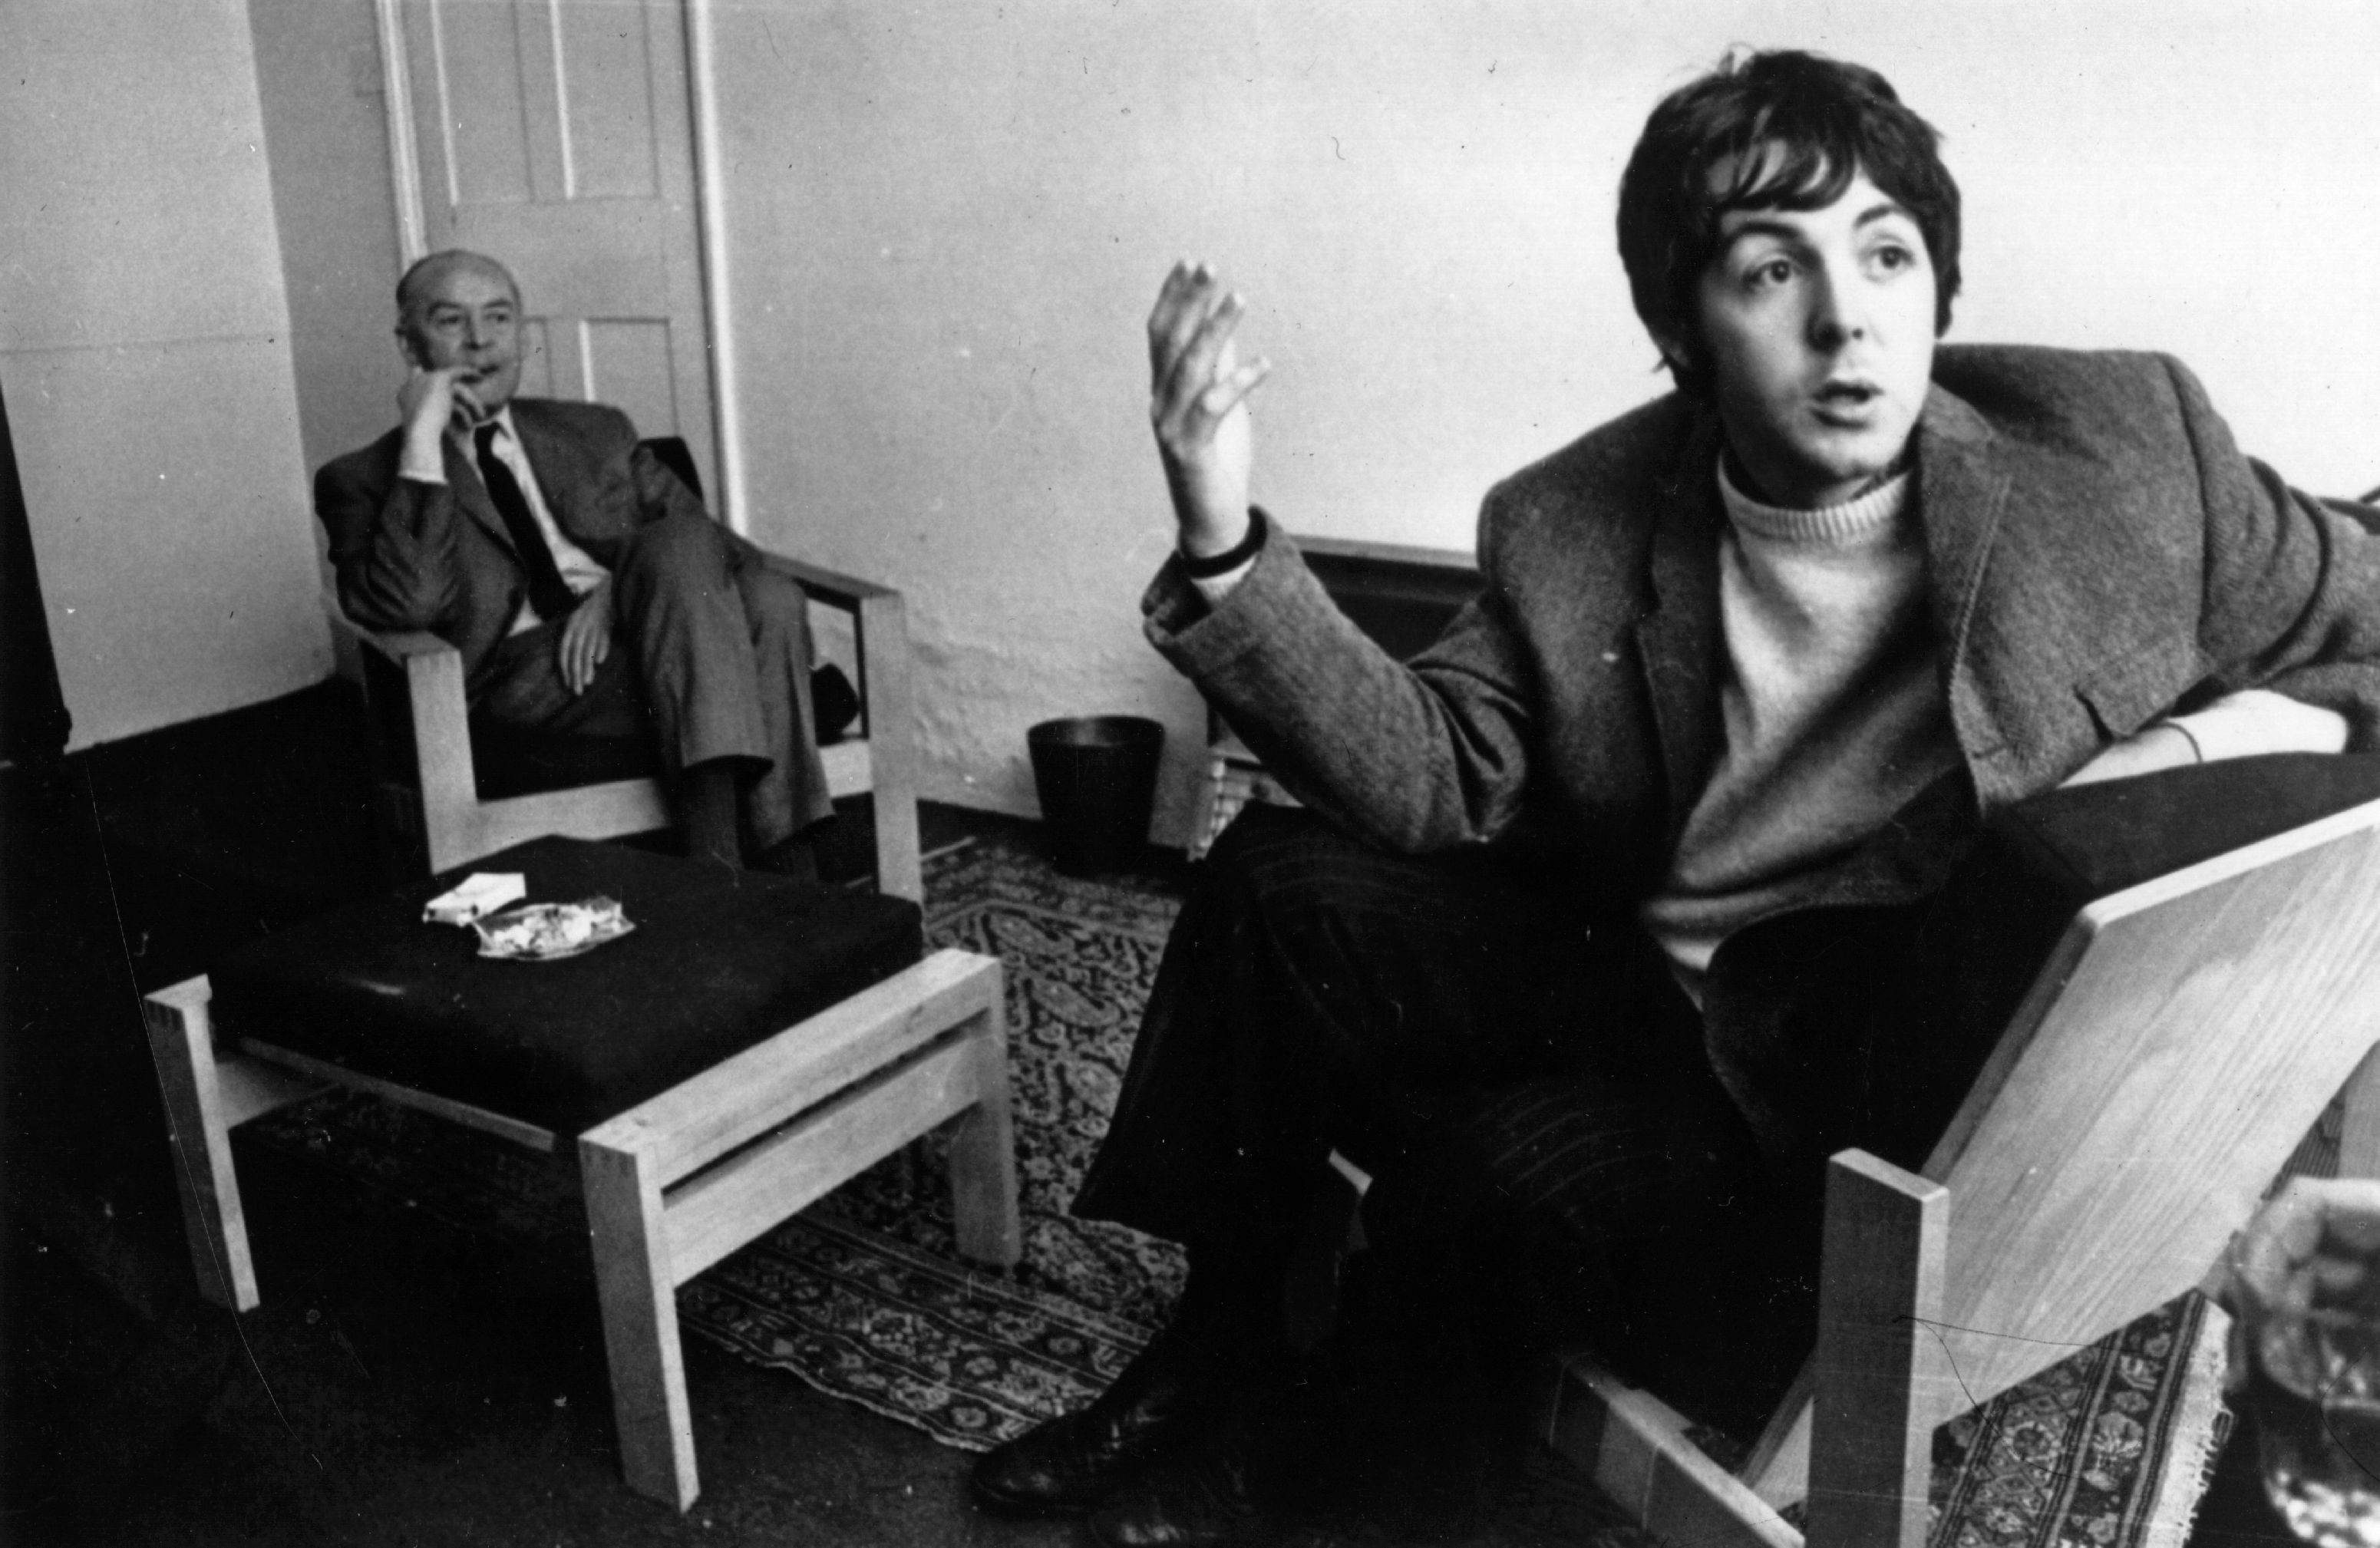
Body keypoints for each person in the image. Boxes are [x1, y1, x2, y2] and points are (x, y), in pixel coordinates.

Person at [970, 47, 2380, 1548]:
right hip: (1646, 983)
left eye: (1884, 255)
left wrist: (2198, 745)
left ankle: (1308, 1472)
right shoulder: (1574, 518)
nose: (1843, 318)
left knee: (1480, 1177)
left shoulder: (2122, 454)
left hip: (1838, 1115)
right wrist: (1216, 534)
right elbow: (1438, 768)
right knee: (1277, 882)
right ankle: (1223, 1344)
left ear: (1933, 291)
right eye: (1771, 269)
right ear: (1680, 329)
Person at [316, 250, 833, 873]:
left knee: (736, 577)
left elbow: (718, 544)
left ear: (522, 334)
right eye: (452, 321)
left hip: (657, 640)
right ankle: (785, 872)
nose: (481, 341)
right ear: (408, 343)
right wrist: (422, 443)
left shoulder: (596, 429)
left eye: (499, 318)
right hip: (527, 678)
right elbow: (410, 605)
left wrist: (615, 597)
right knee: (764, 610)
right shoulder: (362, 478)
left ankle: (719, 868)